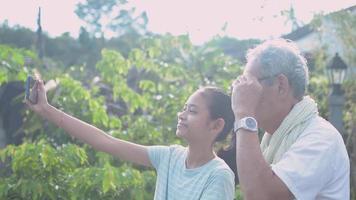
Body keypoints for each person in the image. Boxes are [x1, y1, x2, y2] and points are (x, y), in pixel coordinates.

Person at [26, 82, 236, 200]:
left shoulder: (218, 176)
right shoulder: (169, 157)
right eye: (183, 108)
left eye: (192, 111)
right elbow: (104, 141)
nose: (181, 115)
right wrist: (46, 110)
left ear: (216, 125)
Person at [231, 39, 350, 200]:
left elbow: (261, 195)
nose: (240, 91)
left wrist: (244, 115)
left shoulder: (321, 138)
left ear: (281, 85)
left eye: (249, 83)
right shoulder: (273, 138)